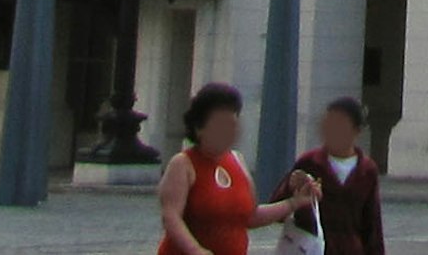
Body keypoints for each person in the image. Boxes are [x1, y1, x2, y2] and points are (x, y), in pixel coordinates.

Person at [162, 82, 317, 255]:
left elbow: (250, 217)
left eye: (233, 124)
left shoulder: (237, 160)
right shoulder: (183, 164)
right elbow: (171, 217)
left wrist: (293, 203)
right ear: (199, 128)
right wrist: (195, 250)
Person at [286, 96, 384, 255]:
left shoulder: (367, 169)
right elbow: (280, 205)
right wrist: (292, 187)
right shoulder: (310, 162)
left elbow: (372, 224)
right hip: (312, 248)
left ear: (356, 130)